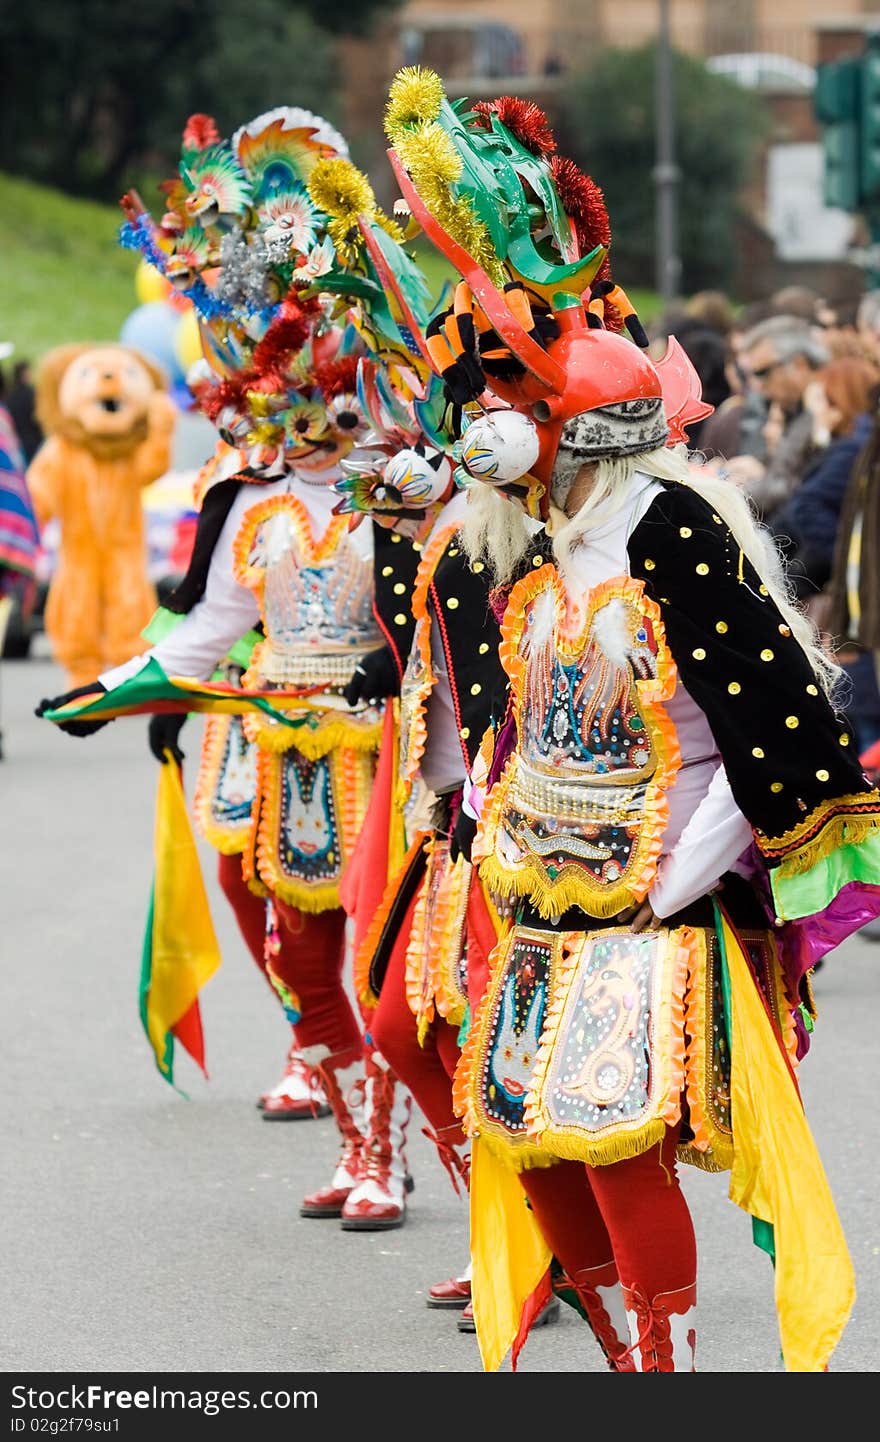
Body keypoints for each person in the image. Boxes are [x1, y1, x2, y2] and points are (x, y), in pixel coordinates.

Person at [386, 63, 880, 1373]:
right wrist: (492, 817)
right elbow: (533, 726)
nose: (495, 434)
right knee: (530, 1142)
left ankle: (668, 1375)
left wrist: (677, 877)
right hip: (543, 892)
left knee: (613, 1145)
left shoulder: (668, 531)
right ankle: (622, 1361)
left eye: (520, 412)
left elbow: (774, 732)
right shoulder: (547, 547)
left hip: (650, 903)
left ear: (576, 430)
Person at [36, 105, 434, 1232]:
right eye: (288, 405)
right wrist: (109, 695)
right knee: (294, 949)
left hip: (388, 760)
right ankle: (357, 1133)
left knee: (381, 969)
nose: (309, 427)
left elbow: (449, 628)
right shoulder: (249, 503)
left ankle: (395, 1159)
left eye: (327, 403)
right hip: (279, 748)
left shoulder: (408, 493)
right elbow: (204, 630)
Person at [721, 314, 829, 524]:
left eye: (762, 373)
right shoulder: (796, 406)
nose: (757, 386)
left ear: (799, 364)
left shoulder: (821, 408)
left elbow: (786, 488)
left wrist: (723, 491)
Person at [6, 360, 43, 465]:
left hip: (17, 440)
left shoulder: (9, 394)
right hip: (34, 439)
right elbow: (38, 417)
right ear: (24, 373)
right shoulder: (31, 393)